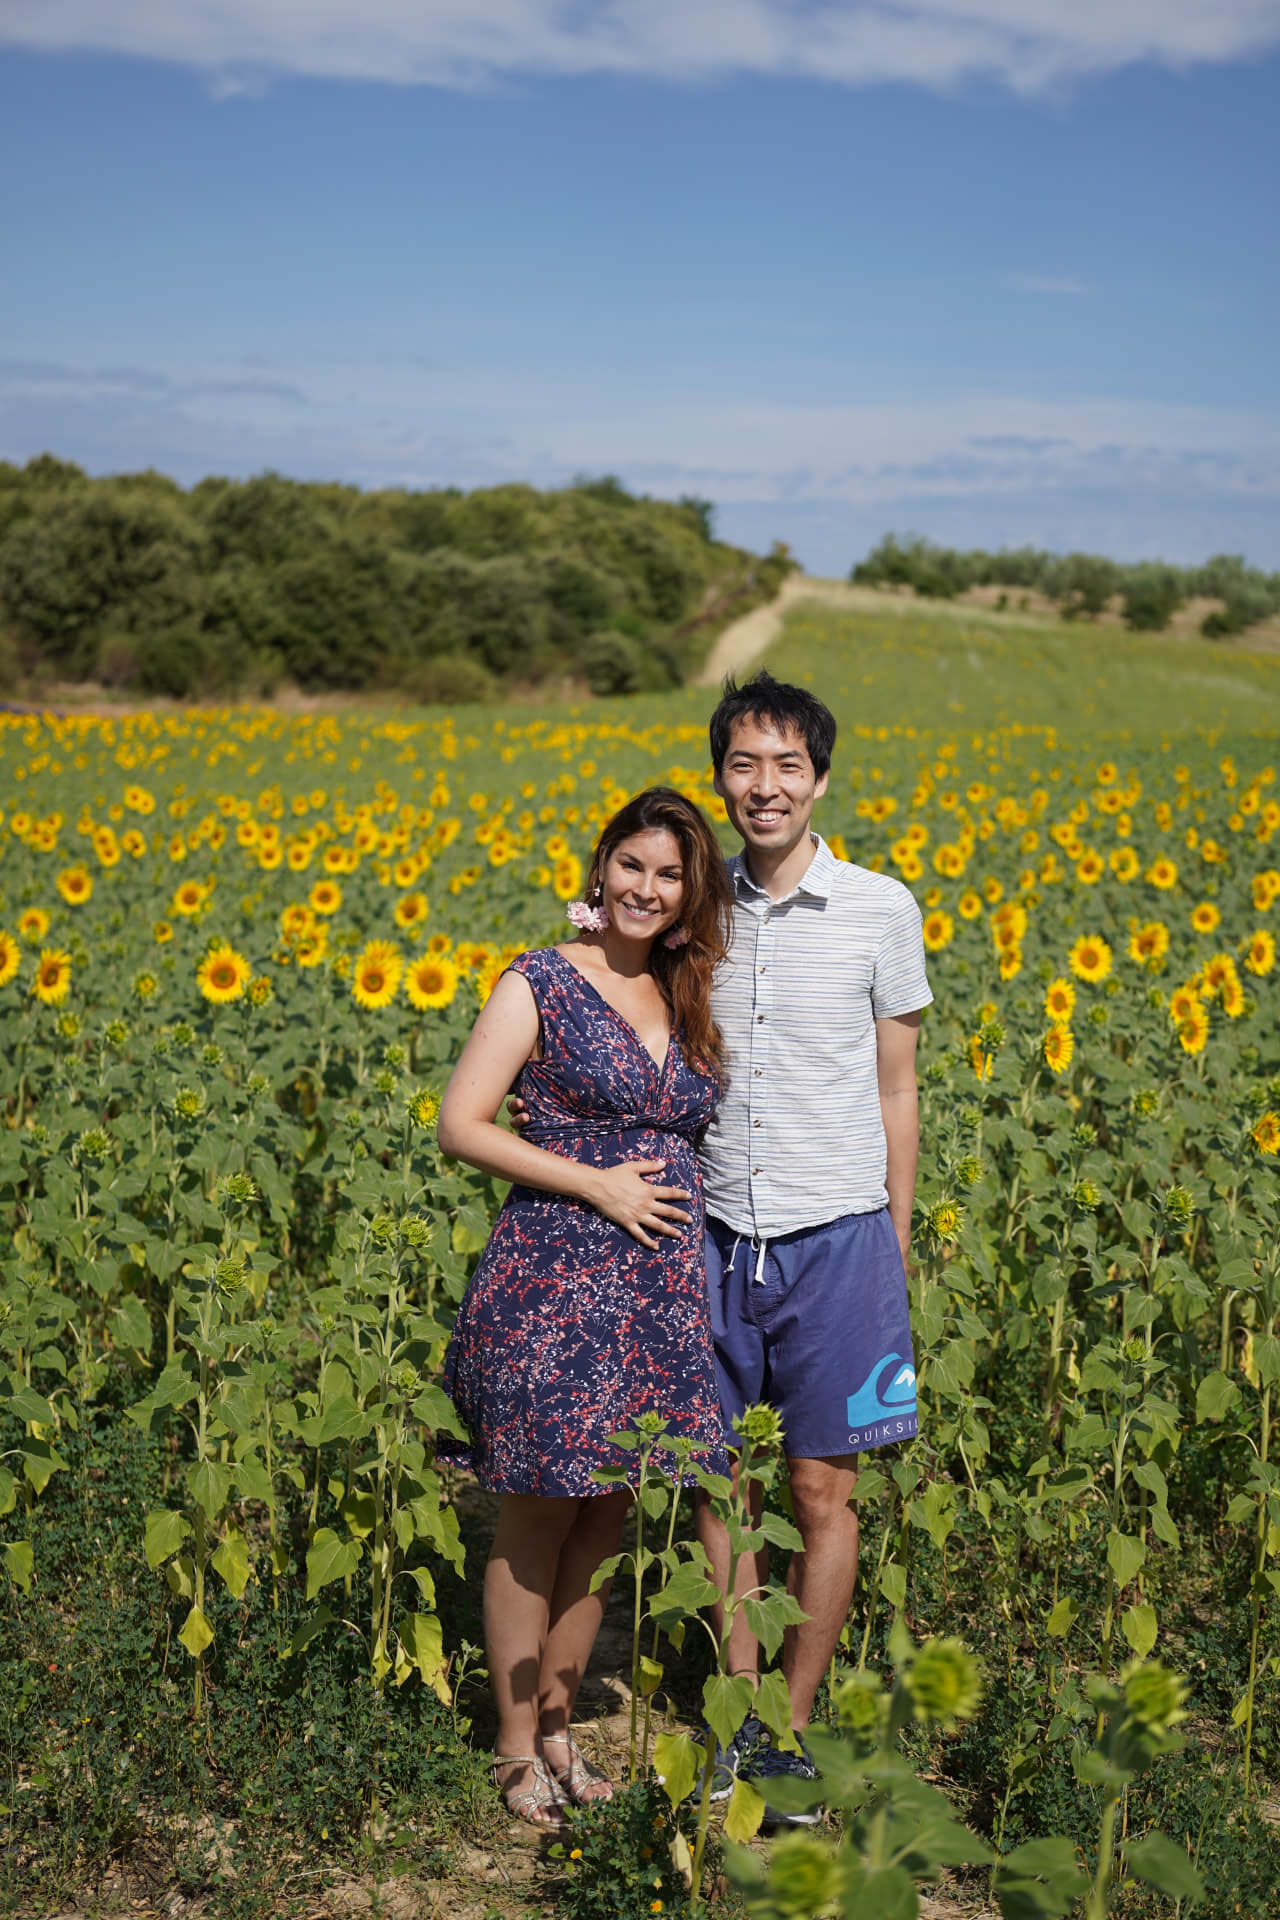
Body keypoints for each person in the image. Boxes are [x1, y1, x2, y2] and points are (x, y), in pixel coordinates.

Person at [436, 786, 735, 1829]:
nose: (645, 890)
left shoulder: (684, 989)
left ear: (689, 895)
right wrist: (597, 1182)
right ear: (598, 868)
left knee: (606, 1514)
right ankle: (514, 1749)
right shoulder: (539, 982)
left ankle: (559, 1724)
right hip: (553, 1280)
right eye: (631, 865)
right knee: (535, 1510)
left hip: (656, 1296)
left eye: (669, 876)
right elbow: (462, 1124)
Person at [693, 670, 932, 1816]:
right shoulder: (695, 905)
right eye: (744, 763)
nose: (765, 784)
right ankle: (736, 1718)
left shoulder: (880, 908)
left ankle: (788, 1728)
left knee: (820, 1490)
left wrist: (890, 1235)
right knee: (716, 1484)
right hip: (711, 1226)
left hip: (835, 1236)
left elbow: (898, 1084)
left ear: (820, 777)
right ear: (720, 779)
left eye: (786, 763)